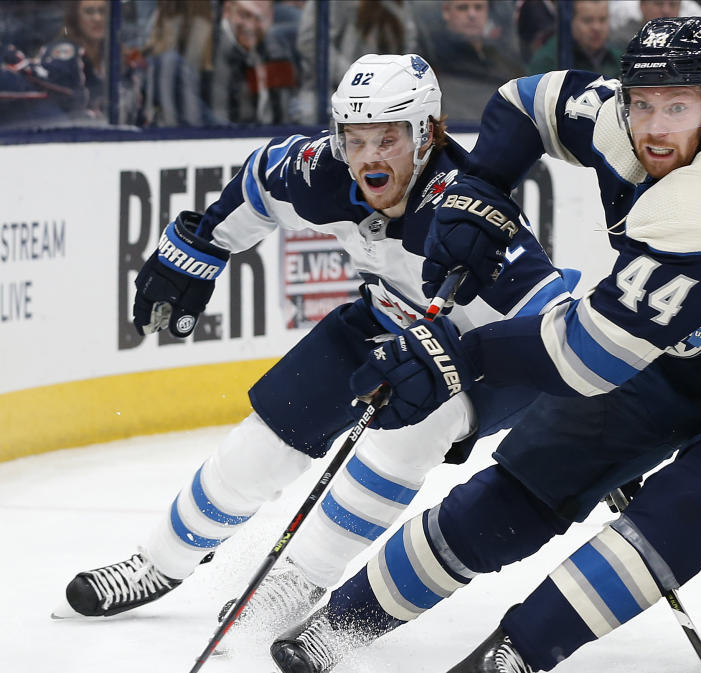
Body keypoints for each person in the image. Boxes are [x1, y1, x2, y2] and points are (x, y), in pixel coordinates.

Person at [256, 17, 701, 673]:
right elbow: (523, 102)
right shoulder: (615, 118)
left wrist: (461, 354)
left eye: (678, 106)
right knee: (519, 489)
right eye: (643, 103)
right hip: (676, 354)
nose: (654, 125)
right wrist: (481, 187)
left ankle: (511, 657)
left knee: (694, 503)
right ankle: (335, 628)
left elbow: (589, 358)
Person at [56, 54, 575, 637]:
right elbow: (260, 179)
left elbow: (555, 325)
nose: (369, 158)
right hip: (386, 319)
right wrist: (207, 245)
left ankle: (298, 580)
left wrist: (589, 400)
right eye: (354, 139)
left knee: (409, 436)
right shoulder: (322, 171)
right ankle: (158, 561)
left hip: (482, 358)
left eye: (389, 138)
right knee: (267, 437)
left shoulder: (471, 212)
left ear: (428, 133)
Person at [417, 0, 525, 120]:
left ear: (487, 12)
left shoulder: (501, 57)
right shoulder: (432, 58)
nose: (472, 14)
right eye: (463, 8)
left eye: (478, 8)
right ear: (446, 12)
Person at [209, 0, 298, 124]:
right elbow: (218, 121)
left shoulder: (277, 49)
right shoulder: (208, 53)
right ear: (227, 10)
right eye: (243, 15)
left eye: (260, 18)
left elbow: (284, 112)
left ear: (271, 16)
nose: (251, 26)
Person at [44, 0, 107, 117]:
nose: (97, 18)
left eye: (102, 11)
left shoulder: (110, 50)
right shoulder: (66, 50)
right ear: (75, 17)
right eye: (89, 11)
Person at [527, 0, 621, 76]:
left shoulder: (618, 59)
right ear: (570, 21)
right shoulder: (548, 61)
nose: (596, 27)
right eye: (587, 20)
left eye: (602, 20)